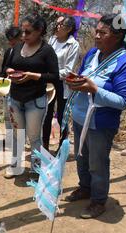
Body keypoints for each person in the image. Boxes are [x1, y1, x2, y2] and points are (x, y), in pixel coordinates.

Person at [64, 14, 126, 219]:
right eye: (96, 31)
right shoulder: (92, 54)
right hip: (80, 117)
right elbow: (83, 77)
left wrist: (94, 88)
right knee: (81, 157)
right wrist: (75, 82)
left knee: (97, 163)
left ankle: (98, 200)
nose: (96, 36)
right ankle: (85, 188)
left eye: (102, 33)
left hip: (100, 123)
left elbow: (123, 101)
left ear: (116, 36)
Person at [3, 15, 59, 179]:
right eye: (22, 32)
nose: (24, 36)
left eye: (28, 32)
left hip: (35, 101)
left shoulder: (47, 51)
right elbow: (7, 65)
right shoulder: (18, 47)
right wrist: (9, 71)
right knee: (16, 134)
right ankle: (15, 166)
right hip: (15, 99)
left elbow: (54, 76)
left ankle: (36, 168)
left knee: (34, 137)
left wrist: (33, 76)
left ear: (39, 31)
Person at [43, 16, 80, 151]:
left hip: (62, 83)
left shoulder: (73, 44)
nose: (57, 27)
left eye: (61, 25)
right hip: (48, 82)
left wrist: (51, 74)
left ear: (69, 29)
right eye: (57, 24)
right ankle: (44, 145)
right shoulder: (52, 40)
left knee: (62, 115)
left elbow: (69, 70)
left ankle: (62, 148)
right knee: (46, 115)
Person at [0, 26, 22, 163]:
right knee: (7, 117)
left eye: (14, 40)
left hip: (20, 93)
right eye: (10, 41)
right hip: (7, 89)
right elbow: (3, 69)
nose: (12, 43)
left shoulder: (26, 53)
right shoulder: (9, 52)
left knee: (17, 121)